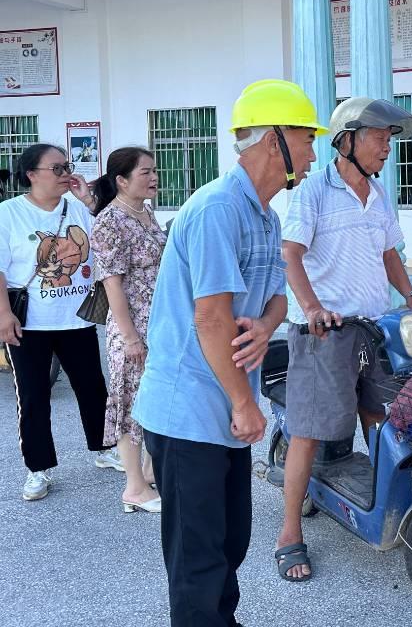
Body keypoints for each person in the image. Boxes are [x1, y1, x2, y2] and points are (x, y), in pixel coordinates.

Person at [132, 80, 323, 626]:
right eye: (307, 140)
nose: (313, 155)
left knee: (231, 541)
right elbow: (211, 318)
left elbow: (276, 296)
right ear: (274, 143)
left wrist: (265, 326)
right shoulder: (218, 208)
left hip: (227, 412)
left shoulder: (265, 216)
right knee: (198, 559)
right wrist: (244, 403)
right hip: (190, 409)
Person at [274, 97, 412, 582]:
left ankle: (381, 497)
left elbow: (389, 252)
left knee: (380, 414)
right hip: (324, 333)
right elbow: (290, 254)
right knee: (309, 429)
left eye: (390, 140)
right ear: (347, 141)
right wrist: (313, 309)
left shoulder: (378, 193)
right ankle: (288, 534)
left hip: (373, 327)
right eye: (380, 139)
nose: (388, 148)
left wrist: (410, 296)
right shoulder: (313, 192)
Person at [0, 143, 120, 501]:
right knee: (33, 395)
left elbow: (111, 239)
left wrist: (88, 201)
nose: (66, 172)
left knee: (93, 387)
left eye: (67, 165)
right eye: (57, 168)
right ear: (32, 174)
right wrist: (3, 315)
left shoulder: (79, 210)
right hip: (29, 323)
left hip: (76, 319)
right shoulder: (9, 213)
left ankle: (104, 448)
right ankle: (38, 469)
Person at [91, 147, 166, 513]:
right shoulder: (110, 221)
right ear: (121, 180)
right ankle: (134, 487)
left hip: (157, 324)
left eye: (154, 171)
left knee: (150, 399)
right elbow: (112, 283)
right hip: (131, 328)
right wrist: (130, 336)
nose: (153, 178)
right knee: (128, 404)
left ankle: (149, 472)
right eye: (145, 173)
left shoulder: (145, 213)